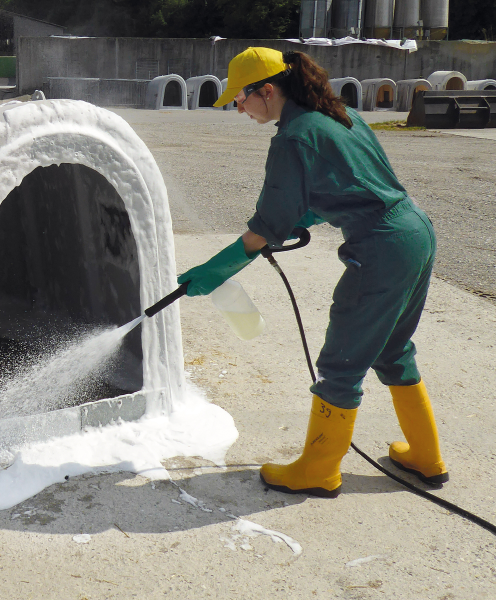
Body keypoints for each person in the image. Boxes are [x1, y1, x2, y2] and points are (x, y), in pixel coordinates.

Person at [177, 47, 447, 498]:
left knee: (341, 364)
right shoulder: (337, 113)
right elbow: (351, 183)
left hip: (380, 247)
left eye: (241, 98)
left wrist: (213, 271)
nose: (237, 107)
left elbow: (263, 230)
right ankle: (426, 457)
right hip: (414, 233)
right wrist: (305, 215)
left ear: (267, 90)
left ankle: (318, 471)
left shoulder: (293, 138)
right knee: (394, 349)